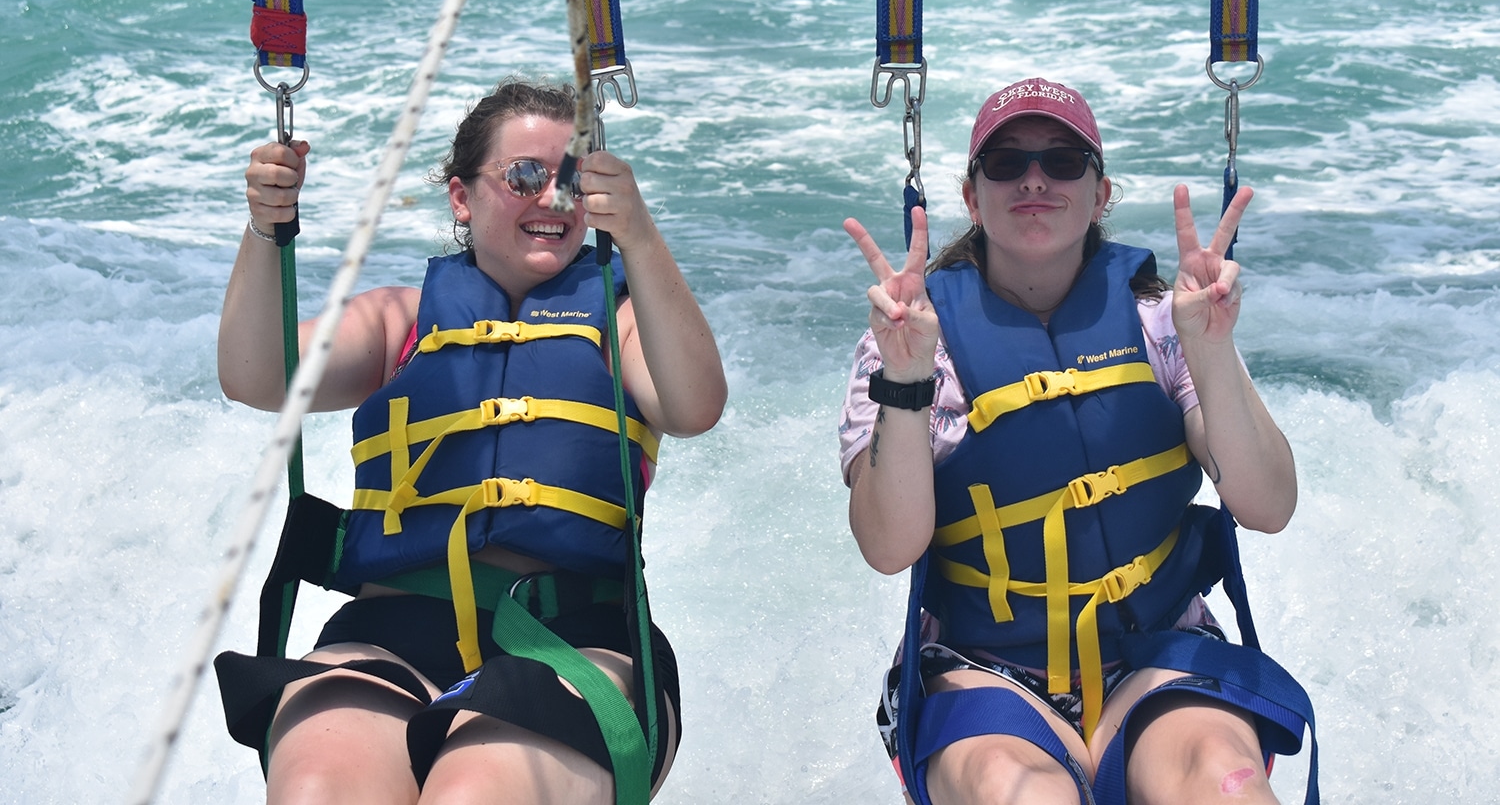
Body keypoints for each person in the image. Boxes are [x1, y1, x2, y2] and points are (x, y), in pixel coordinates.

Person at [213, 76, 727, 805]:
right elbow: (256, 375)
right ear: (462, 197)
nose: (553, 197)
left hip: (570, 637)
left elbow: (695, 405)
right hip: (390, 632)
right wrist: (268, 229)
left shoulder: (626, 327)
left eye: (573, 179)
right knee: (319, 789)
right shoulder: (399, 322)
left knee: (475, 794)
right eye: (524, 175)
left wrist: (639, 238)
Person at [838, 78, 1314, 805]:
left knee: (1226, 787)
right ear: (972, 197)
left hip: (1156, 651)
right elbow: (888, 546)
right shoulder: (913, 339)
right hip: (983, 663)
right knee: (1020, 795)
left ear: (1100, 194)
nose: (1034, 177)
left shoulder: (1165, 322)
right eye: (1006, 163)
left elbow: (1268, 504)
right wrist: (905, 379)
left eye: (1063, 161)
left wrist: (1212, 350)